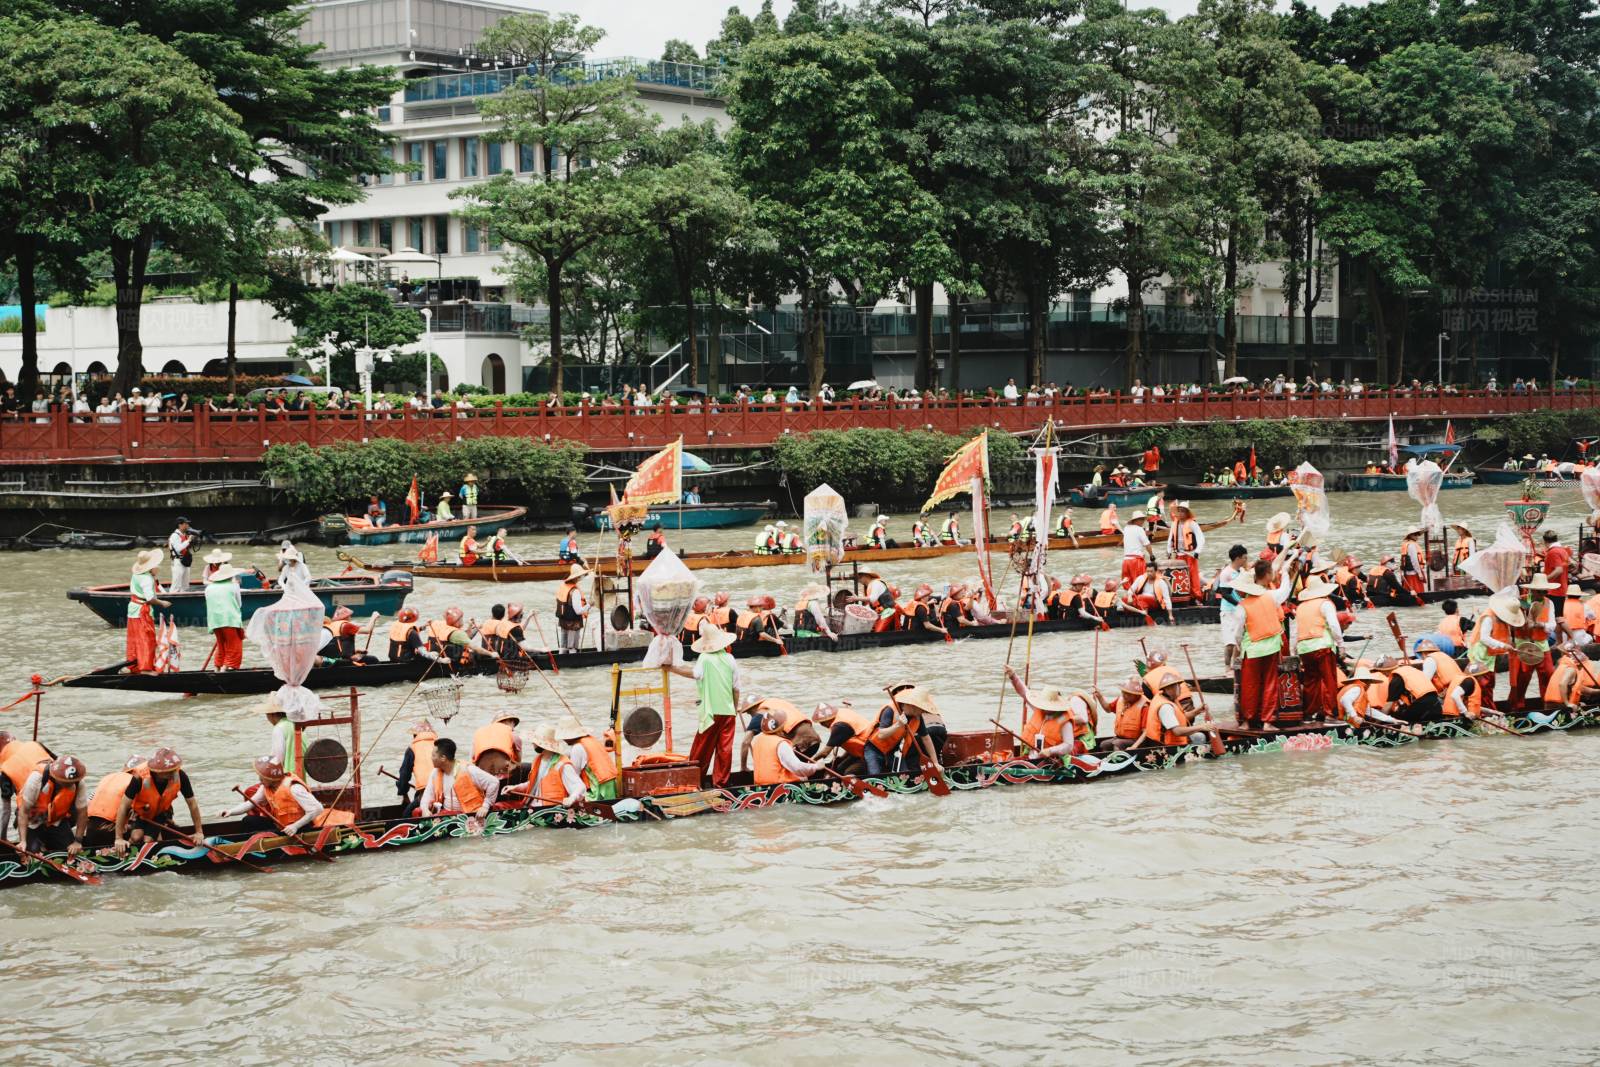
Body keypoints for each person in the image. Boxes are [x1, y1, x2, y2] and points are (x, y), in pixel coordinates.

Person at [86, 747, 203, 854]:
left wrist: (199, 832)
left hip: (92, 824)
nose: (174, 773)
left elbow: (192, 804)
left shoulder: (180, 775)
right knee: (137, 837)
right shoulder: (138, 778)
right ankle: (129, 852)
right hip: (139, 815)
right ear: (158, 772)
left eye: (175, 770)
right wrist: (119, 838)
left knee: (148, 840)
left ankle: (153, 848)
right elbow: (124, 806)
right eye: (170, 772)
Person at [668, 625, 742, 787]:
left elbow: (695, 674)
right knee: (725, 750)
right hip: (728, 712)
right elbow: (736, 689)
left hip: (710, 711)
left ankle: (694, 781)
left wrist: (672, 669)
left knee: (702, 748)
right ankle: (721, 783)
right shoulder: (730, 658)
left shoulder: (705, 658)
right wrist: (734, 709)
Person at [1233, 560, 1296, 729]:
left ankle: (1247, 721)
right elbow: (1285, 591)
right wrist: (1285, 573)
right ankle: (1268, 721)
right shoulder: (1271, 597)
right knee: (1270, 684)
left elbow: (1237, 633)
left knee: (1249, 685)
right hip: (1272, 646)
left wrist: (1239, 647)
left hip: (1252, 649)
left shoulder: (1242, 606)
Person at [219, 756, 341, 834]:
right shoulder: (265, 787)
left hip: (300, 828)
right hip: (280, 825)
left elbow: (317, 809)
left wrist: (295, 826)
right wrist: (230, 812)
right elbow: (250, 804)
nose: (259, 780)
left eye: (262, 777)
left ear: (271, 778)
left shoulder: (294, 788)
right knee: (248, 820)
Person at [13, 755, 90, 855]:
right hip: (32, 822)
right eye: (65, 782)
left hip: (56, 821)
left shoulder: (78, 783)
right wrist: (23, 841)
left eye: (71, 783)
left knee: (71, 853)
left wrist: (77, 842)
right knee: (32, 855)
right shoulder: (37, 778)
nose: (69, 785)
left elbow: (82, 814)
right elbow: (23, 812)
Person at [863, 685, 944, 777]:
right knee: (875, 775)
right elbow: (881, 735)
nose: (923, 712)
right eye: (922, 708)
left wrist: (935, 762)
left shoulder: (917, 717)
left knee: (905, 775)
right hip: (875, 749)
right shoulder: (890, 710)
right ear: (913, 706)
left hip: (893, 751)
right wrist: (898, 724)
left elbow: (926, 738)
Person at [1507, 574, 1562, 711]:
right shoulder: (1520, 602)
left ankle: (1548, 704)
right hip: (1523, 645)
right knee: (1521, 678)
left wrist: (1539, 625)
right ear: (1532, 590)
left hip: (1542, 644)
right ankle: (1517, 707)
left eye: (1545, 591)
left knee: (1548, 674)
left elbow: (1552, 625)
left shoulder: (1549, 603)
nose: (1543, 594)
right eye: (1540, 591)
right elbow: (1510, 623)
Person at [1292, 576, 1344, 718]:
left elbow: (1295, 631)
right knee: (1328, 680)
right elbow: (1334, 625)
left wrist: (1294, 650)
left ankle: (1309, 713)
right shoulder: (1325, 604)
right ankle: (1330, 714)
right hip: (1322, 646)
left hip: (1304, 648)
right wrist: (1341, 644)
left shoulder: (1300, 607)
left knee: (1310, 681)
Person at [416, 737, 500, 818]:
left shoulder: (469, 770)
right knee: (417, 811)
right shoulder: (435, 772)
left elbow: (494, 782)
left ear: (443, 758)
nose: (431, 758)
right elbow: (427, 795)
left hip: (470, 815)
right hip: (446, 815)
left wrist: (485, 806)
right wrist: (425, 809)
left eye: (433, 755)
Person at [126, 548, 171, 673]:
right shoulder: (146, 578)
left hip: (133, 609)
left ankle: (133, 665)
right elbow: (150, 598)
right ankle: (145, 668)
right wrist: (162, 603)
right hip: (142, 611)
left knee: (134, 639)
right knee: (147, 639)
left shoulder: (136, 575)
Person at [1142, 675, 1218, 749]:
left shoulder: (1165, 697)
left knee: (1199, 736)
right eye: (1177, 686)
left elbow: (1182, 717)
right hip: (1165, 746)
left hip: (1166, 741)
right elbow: (1177, 731)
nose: (1180, 689)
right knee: (1200, 737)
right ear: (1169, 689)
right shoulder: (1166, 707)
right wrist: (1201, 727)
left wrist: (1197, 711)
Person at [555, 716, 620, 800]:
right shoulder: (590, 739)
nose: (564, 740)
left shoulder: (577, 748)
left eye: (564, 737)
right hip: (610, 781)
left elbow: (575, 774)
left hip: (599, 786)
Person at [1372, 656, 1444, 724]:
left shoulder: (1396, 679)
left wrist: (1377, 722)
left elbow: (1388, 705)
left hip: (1422, 707)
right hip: (1436, 704)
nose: (1382, 674)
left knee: (1397, 718)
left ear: (1386, 670)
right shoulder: (1410, 670)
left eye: (1381, 671)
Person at [204, 562, 245, 670]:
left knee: (221, 644)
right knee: (234, 644)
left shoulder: (209, 588)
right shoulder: (234, 585)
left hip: (214, 620)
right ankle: (227, 667)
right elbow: (239, 604)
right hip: (229, 619)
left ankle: (217, 666)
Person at [1095, 676, 1149, 750]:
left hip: (1135, 740)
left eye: (1128, 694)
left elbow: (1146, 732)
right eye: (1123, 692)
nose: (1124, 696)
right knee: (1104, 744)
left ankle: (1118, 757)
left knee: (1117, 744)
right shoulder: (1121, 700)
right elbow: (1108, 709)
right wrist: (1100, 697)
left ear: (1136, 695)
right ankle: (1106, 758)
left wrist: (1134, 746)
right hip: (1120, 738)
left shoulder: (1144, 707)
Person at [394, 720, 438, 808]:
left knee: (406, 814)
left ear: (415, 736)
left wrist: (403, 792)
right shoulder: (439, 745)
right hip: (444, 788)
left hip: (426, 791)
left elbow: (404, 775)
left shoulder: (412, 748)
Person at [1166, 501, 1204, 596]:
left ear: (1187, 513)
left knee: (1192, 575)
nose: (1180, 513)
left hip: (1190, 554)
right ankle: (1183, 595)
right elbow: (1170, 539)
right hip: (1178, 555)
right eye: (1179, 511)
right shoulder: (1174, 524)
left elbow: (1201, 538)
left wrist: (1197, 551)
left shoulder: (1192, 524)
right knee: (1180, 576)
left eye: (1183, 511)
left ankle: (1196, 595)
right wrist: (1169, 551)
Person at [471, 711, 524, 779]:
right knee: (526, 767)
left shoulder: (480, 732)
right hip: (502, 774)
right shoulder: (513, 735)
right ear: (510, 722)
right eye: (513, 722)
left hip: (481, 774)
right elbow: (519, 761)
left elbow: (473, 757)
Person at [555, 563, 591, 654]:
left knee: (563, 646)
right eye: (581, 576)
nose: (582, 577)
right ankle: (573, 658)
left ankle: (561, 658)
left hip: (563, 621)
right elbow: (578, 611)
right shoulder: (575, 591)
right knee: (572, 647)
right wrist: (589, 605)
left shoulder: (564, 587)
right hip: (573, 623)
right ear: (577, 577)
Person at [1126, 560, 1175, 624]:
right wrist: (1129, 596)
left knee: (1141, 598)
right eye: (1148, 571)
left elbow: (1167, 598)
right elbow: (1131, 589)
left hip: (1154, 602)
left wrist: (1170, 615)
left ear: (1156, 571)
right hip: (1141, 600)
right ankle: (1137, 613)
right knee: (1124, 599)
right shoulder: (1140, 578)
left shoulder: (1161, 582)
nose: (1149, 573)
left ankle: (1143, 614)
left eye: (1151, 571)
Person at [1541, 530, 1572, 620]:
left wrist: (1543, 579)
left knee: (1554, 618)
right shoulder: (1563, 551)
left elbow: (1559, 570)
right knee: (1558, 617)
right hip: (1562, 588)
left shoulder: (1553, 552)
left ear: (1545, 541)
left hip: (1553, 590)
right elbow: (1570, 565)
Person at [1119, 515, 1153, 586]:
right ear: (1136, 520)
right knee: (1141, 584)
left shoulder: (1126, 528)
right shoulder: (1139, 529)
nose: (1143, 522)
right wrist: (1151, 555)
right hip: (1136, 561)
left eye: (1143, 520)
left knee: (1128, 585)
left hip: (1126, 561)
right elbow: (1147, 544)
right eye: (1142, 520)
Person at [167, 517, 196, 592]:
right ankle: (173, 597)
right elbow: (178, 549)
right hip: (177, 561)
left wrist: (192, 540)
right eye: (186, 524)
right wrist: (188, 540)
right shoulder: (175, 535)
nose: (188, 525)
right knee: (176, 585)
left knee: (185, 585)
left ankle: (184, 596)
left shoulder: (185, 534)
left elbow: (186, 547)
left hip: (185, 560)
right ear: (180, 525)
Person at [1398, 528, 1426, 596]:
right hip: (1413, 573)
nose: (1417, 536)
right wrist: (1419, 573)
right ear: (1410, 535)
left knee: (1409, 591)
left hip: (1407, 572)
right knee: (1417, 592)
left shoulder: (1406, 544)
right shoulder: (1412, 545)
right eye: (1415, 534)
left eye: (1418, 534)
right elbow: (1414, 561)